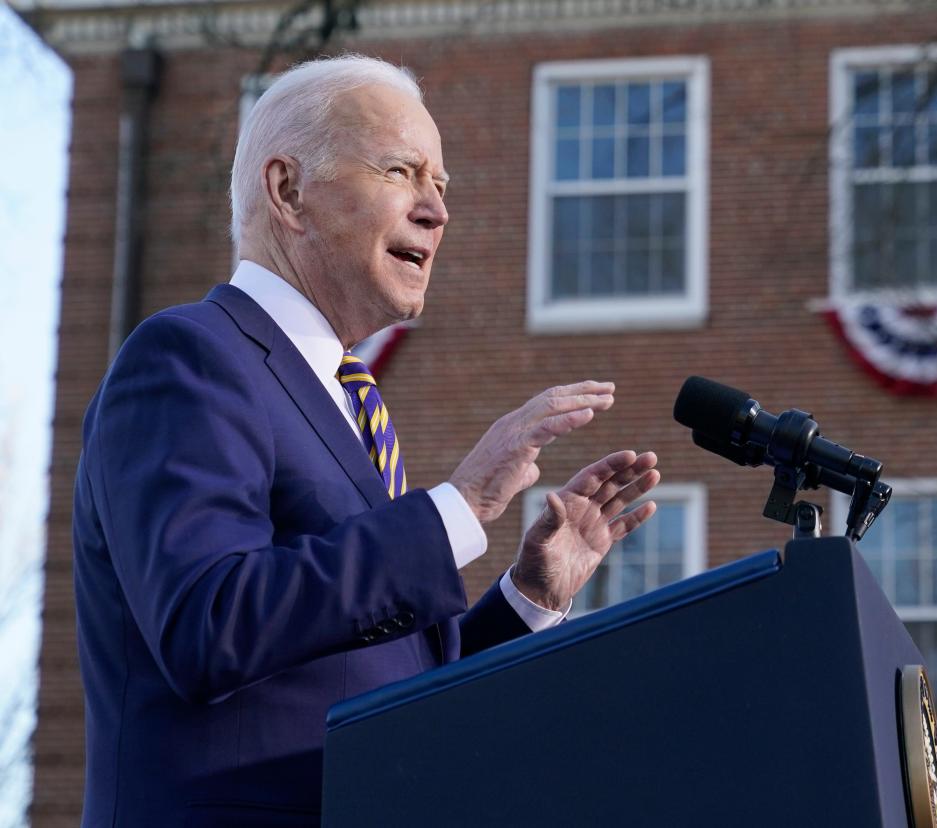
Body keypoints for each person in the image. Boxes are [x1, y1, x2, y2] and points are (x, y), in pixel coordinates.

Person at [72, 54, 659, 827]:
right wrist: (460, 505)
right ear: (288, 192)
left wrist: (529, 597)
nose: (436, 211)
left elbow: (398, 696)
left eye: (441, 187)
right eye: (401, 172)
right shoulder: (189, 357)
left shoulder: (352, 407)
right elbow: (206, 623)